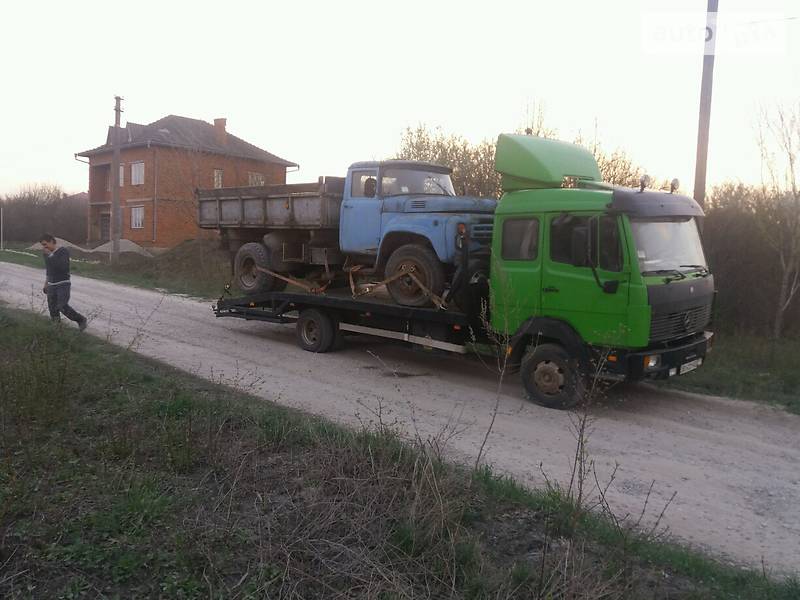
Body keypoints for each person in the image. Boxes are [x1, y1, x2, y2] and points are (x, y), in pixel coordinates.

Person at [39, 234, 87, 331]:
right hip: (51, 285)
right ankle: (57, 329)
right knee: (53, 309)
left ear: (52, 241)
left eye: (45, 244)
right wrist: (46, 283)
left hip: (63, 283)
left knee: (62, 306)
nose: (44, 247)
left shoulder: (63, 251)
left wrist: (51, 255)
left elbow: (62, 267)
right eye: (43, 245)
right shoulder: (46, 254)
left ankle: (81, 320)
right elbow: (49, 269)